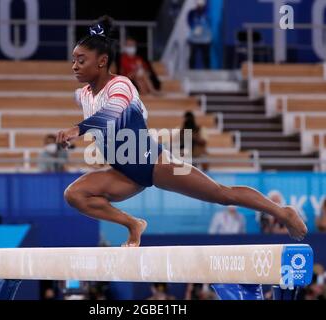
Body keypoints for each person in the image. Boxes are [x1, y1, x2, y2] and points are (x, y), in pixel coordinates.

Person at [56, 16, 307, 247]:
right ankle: (133, 224)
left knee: (221, 194)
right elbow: (96, 112)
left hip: (155, 164)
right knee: (75, 194)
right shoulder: (85, 94)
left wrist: (78, 128)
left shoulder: (120, 85)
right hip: (123, 173)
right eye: (73, 60)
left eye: (81, 60)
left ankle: (282, 211)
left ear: (102, 61)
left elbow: (113, 112)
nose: (74, 66)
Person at [187, 0, 212, 70]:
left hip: (205, 39)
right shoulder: (192, 13)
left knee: (206, 57)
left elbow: (209, 23)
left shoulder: (207, 13)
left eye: (201, 5)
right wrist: (195, 28)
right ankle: (191, 71)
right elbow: (189, 23)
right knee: (192, 56)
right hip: (194, 39)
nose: (200, 7)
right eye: (198, 5)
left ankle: (207, 71)